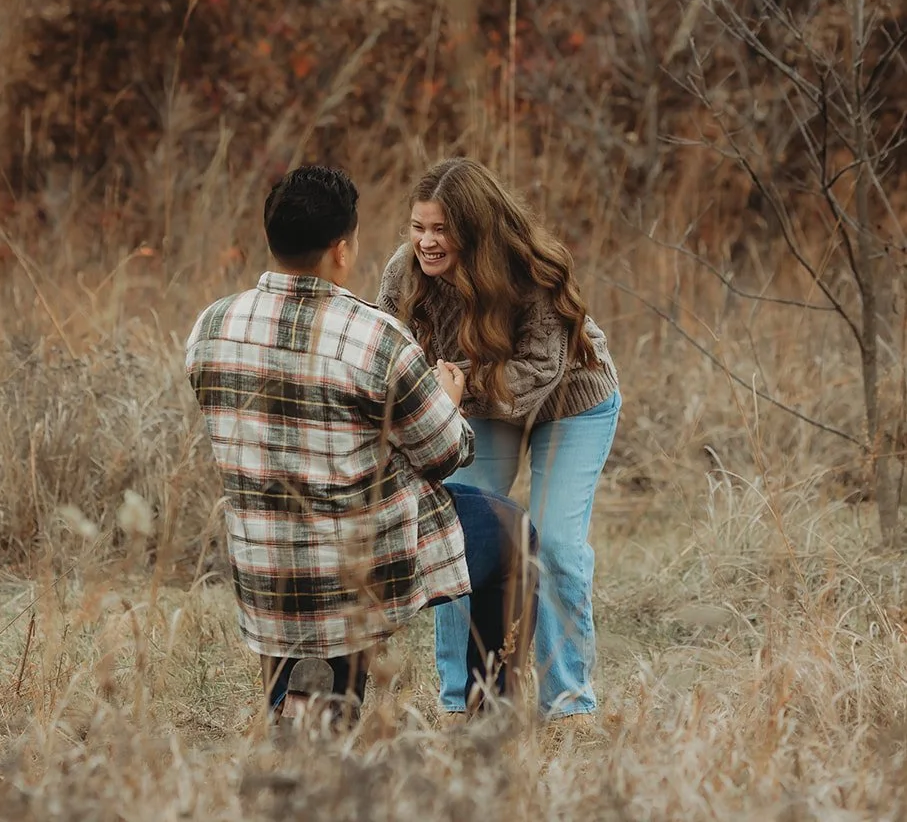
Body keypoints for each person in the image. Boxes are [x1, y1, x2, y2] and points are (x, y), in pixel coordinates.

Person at [185, 164, 536, 726]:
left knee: (313, 589)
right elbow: (446, 455)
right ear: (342, 249)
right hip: (360, 562)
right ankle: (489, 716)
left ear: (272, 239)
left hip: (265, 561)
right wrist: (445, 399)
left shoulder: (210, 326)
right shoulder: (376, 338)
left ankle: (299, 703)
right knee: (515, 535)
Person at [379, 158, 620, 722]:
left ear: (475, 228)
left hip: (571, 401)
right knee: (457, 535)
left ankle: (568, 704)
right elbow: (389, 349)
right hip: (475, 398)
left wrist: (451, 391)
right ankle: (461, 699)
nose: (427, 242)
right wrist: (431, 399)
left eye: (441, 230)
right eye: (418, 227)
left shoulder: (530, 270)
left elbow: (538, 371)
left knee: (556, 544)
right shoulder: (403, 273)